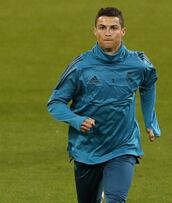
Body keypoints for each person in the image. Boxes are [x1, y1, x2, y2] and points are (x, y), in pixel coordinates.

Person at [47, 7, 160, 203]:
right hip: (87, 149)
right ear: (95, 31)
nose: (108, 32)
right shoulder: (81, 66)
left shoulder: (138, 63)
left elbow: (149, 84)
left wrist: (150, 120)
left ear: (123, 31)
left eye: (114, 27)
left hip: (123, 146)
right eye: (103, 27)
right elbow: (55, 103)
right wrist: (76, 120)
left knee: (115, 200)